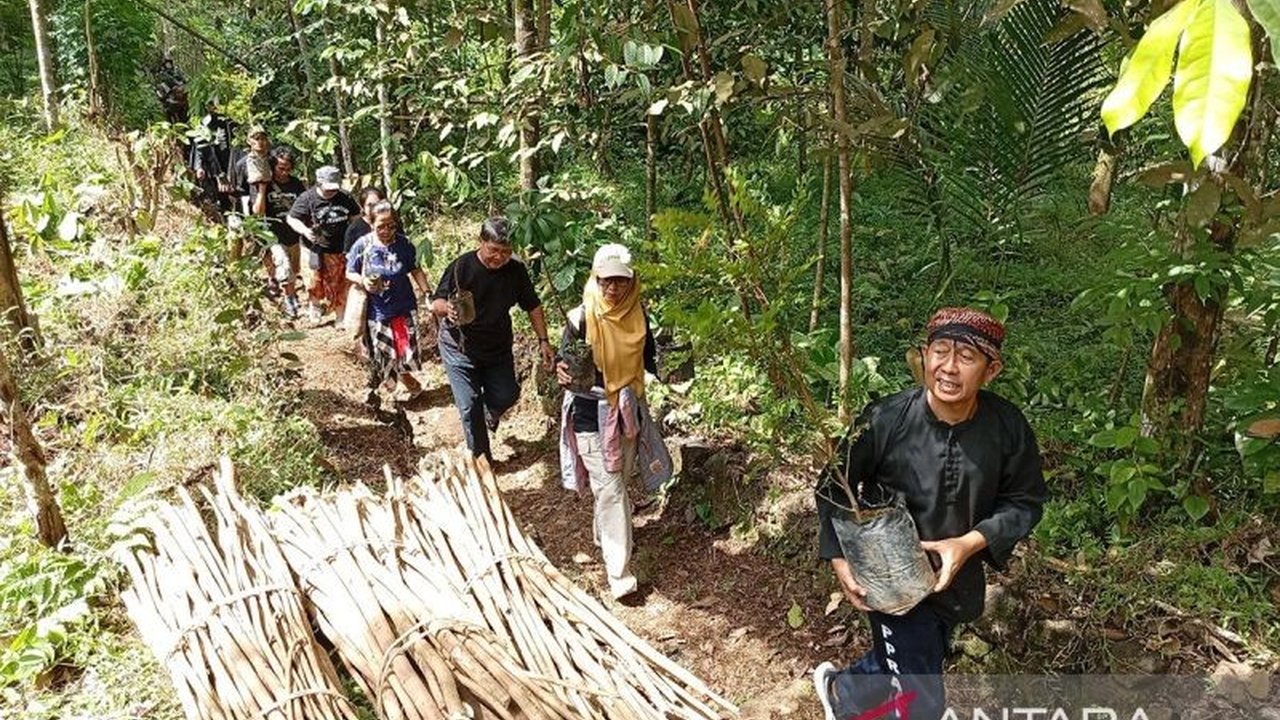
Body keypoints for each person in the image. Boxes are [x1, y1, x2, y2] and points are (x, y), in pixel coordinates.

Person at [812, 307, 1048, 720]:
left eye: (967, 357)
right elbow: (833, 484)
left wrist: (970, 543)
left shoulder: (1007, 427)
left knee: (917, 657)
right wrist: (838, 558)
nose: (949, 368)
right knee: (924, 701)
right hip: (890, 578)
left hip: (956, 578)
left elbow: (1025, 501)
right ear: (923, 355)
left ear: (991, 370)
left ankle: (842, 692)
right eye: (940, 351)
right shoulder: (885, 419)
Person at [556, 243, 671, 601]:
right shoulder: (582, 318)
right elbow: (564, 362)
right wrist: (560, 369)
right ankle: (619, 574)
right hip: (591, 413)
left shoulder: (639, 316)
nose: (612, 288)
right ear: (596, 278)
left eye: (620, 281)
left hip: (627, 413)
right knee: (611, 489)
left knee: (616, 482)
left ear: (631, 281)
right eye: (606, 280)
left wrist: (674, 361)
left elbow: (652, 360)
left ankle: (602, 536)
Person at [430, 217, 555, 460]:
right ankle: (481, 461)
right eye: (493, 250)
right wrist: (449, 309)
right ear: (481, 243)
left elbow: (533, 306)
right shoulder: (461, 267)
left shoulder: (516, 270)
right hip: (459, 347)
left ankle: (489, 414)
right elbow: (436, 302)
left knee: (507, 394)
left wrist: (543, 340)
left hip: (497, 346)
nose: (499, 257)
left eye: (506, 252)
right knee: (469, 405)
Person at [345, 202, 433, 408]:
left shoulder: (405, 244)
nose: (386, 231)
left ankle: (408, 386)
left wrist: (428, 293)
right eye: (381, 226)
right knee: (384, 352)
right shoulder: (363, 245)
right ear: (372, 224)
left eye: (391, 226)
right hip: (377, 311)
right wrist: (363, 281)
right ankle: (392, 394)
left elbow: (415, 269)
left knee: (404, 352)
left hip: (403, 306)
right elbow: (349, 272)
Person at [287, 166, 361, 323]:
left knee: (339, 282)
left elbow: (356, 216)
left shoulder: (345, 197)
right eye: (328, 189)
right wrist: (305, 231)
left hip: (339, 247)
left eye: (334, 189)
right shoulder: (307, 198)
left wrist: (354, 236)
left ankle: (340, 315)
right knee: (314, 280)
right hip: (313, 248)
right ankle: (314, 305)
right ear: (319, 183)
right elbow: (292, 218)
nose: (331, 193)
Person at [252, 146, 307, 318]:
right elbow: (258, 212)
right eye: (280, 168)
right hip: (273, 234)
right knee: (283, 265)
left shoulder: (296, 184)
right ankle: (289, 298)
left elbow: (305, 208)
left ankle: (292, 293)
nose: (284, 172)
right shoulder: (263, 185)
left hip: (293, 235)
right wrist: (261, 189)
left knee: (295, 269)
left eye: (288, 169)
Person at [189, 99, 238, 219]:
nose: (214, 108)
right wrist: (198, 166)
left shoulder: (232, 122)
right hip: (214, 166)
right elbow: (199, 146)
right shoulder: (205, 123)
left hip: (233, 164)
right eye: (211, 105)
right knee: (220, 196)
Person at [345, 187, 385, 254]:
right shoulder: (354, 229)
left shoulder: (391, 224)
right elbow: (349, 257)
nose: (374, 208)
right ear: (362, 207)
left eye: (377, 204)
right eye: (370, 205)